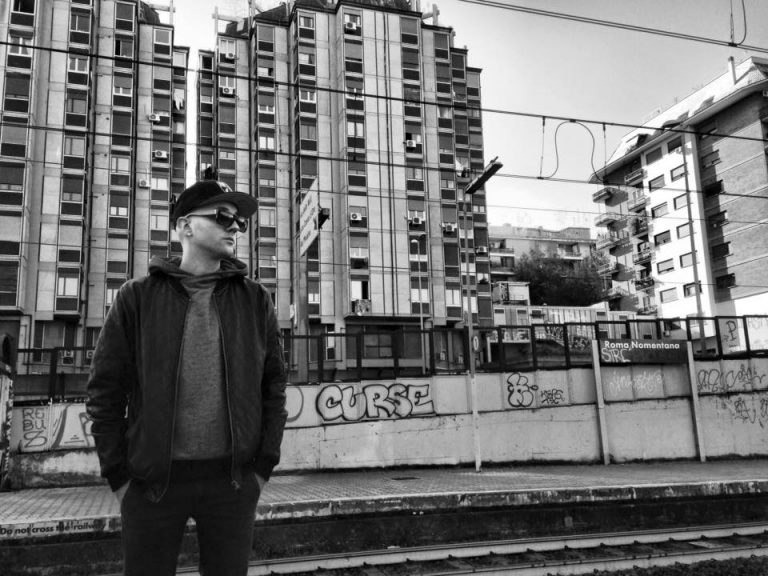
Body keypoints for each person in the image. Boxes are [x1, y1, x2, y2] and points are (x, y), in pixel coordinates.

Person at [87, 180, 287, 576]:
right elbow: (104, 392)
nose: (235, 227)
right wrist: (120, 478)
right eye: (223, 217)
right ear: (185, 227)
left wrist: (262, 469)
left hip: (233, 484)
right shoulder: (136, 298)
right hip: (151, 485)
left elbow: (274, 387)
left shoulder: (255, 300)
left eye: (239, 221)